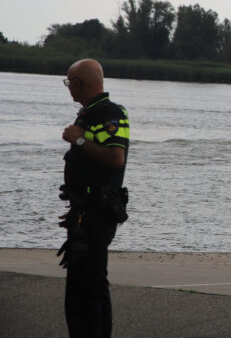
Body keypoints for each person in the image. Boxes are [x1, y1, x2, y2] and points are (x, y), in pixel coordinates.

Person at [58, 59, 130, 338]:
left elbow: (115, 157)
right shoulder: (88, 113)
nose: (68, 88)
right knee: (78, 285)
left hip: (99, 211)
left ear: (80, 83)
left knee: (91, 284)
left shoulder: (111, 114)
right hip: (82, 210)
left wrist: (78, 140)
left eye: (69, 82)